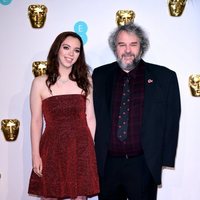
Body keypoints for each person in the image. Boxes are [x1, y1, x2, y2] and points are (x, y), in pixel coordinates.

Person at [92, 22, 181, 200]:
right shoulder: (99, 76)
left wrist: (164, 159)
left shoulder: (164, 77)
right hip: (107, 164)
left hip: (143, 164)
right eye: (122, 44)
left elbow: (172, 120)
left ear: (141, 48)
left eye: (133, 44)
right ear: (115, 48)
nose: (127, 50)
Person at [28, 31, 99, 200]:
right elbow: (36, 122)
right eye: (66, 47)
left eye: (76, 50)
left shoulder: (86, 80)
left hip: (81, 147)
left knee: (79, 197)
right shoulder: (39, 83)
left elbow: (90, 118)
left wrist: (89, 149)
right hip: (51, 148)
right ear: (57, 49)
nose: (71, 54)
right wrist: (35, 155)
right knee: (50, 195)